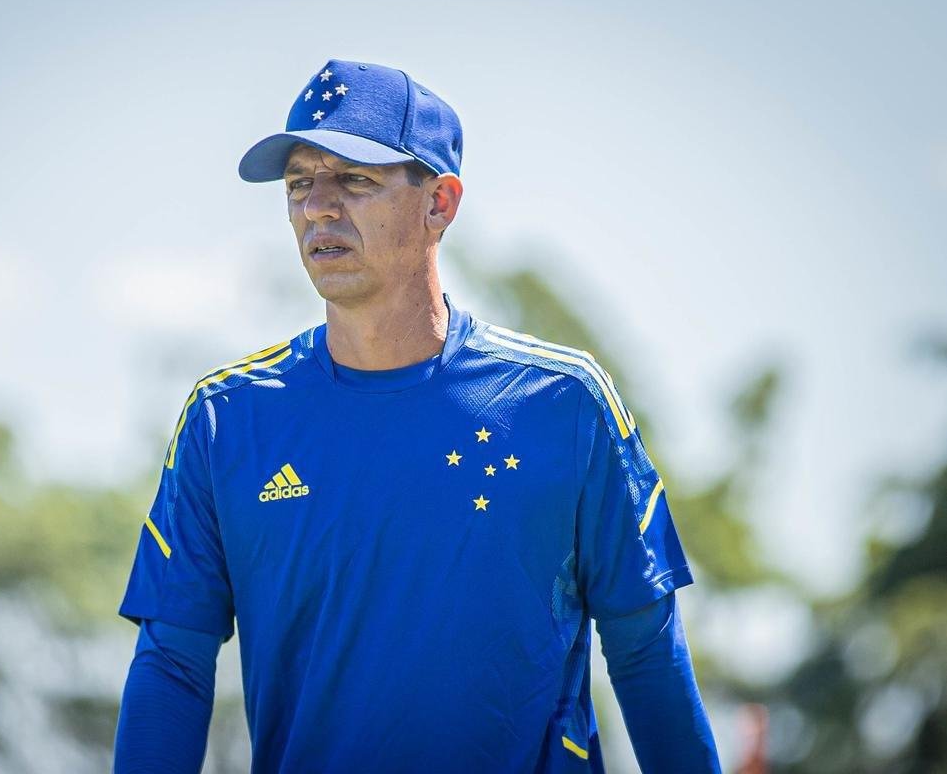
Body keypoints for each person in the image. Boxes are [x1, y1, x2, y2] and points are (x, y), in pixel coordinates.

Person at [113, 59, 721, 773]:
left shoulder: (564, 403)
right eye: (300, 183)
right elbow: (174, 668)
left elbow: (646, 655)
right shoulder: (227, 419)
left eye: (354, 180)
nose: (317, 208)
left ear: (440, 203)